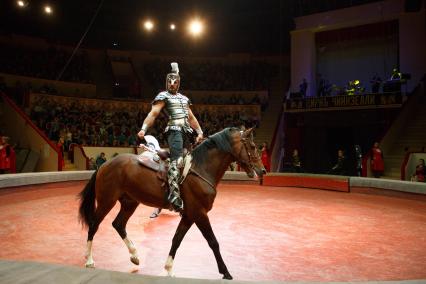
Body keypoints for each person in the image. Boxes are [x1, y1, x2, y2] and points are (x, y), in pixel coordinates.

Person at [137, 62, 204, 212]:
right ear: (166, 82)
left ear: (179, 83)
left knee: (189, 161)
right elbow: (153, 113)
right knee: (177, 160)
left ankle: (187, 191)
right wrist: (144, 128)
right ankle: (174, 196)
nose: (172, 84)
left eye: (175, 82)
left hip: (187, 132)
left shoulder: (185, 99)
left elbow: (191, 118)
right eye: (170, 82)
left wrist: (199, 131)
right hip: (174, 130)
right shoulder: (163, 96)